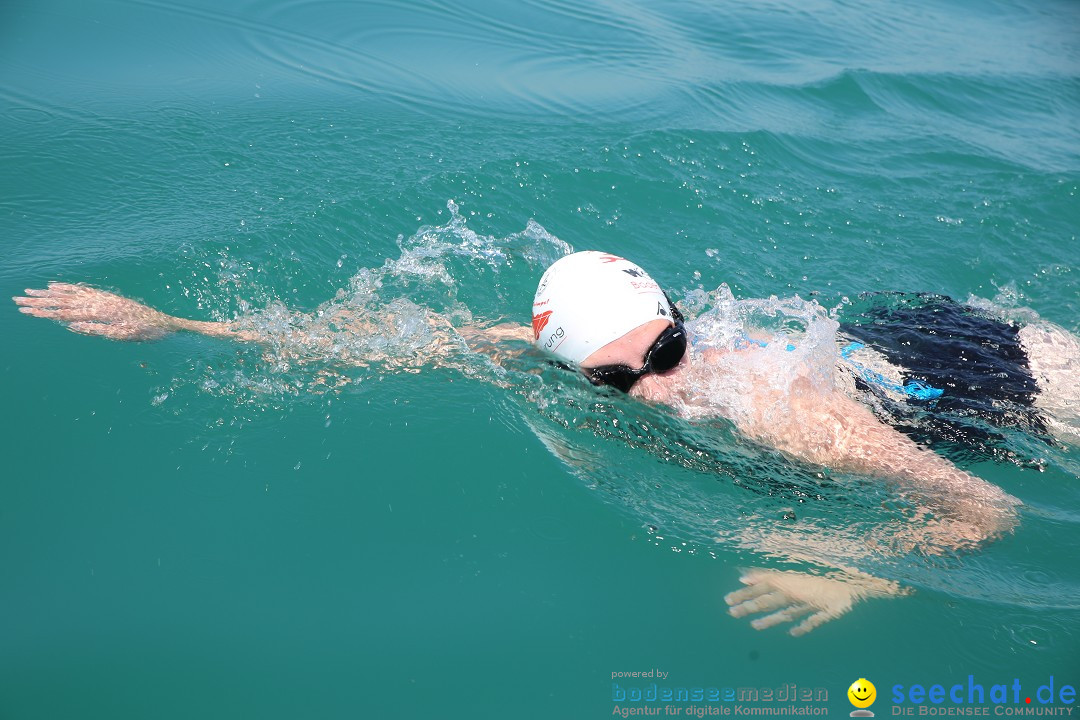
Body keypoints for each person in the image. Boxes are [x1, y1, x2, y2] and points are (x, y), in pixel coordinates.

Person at [13, 251, 1078, 635]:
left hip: (994, 379)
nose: (659, 388)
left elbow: (982, 509)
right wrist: (178, 326)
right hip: (890, 333)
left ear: (676, 315)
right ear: (574, 371)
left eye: (668, 349)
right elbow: (387, 343)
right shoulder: (545, 350)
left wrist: (852, 576)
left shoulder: (778, 409)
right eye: (621, 378)